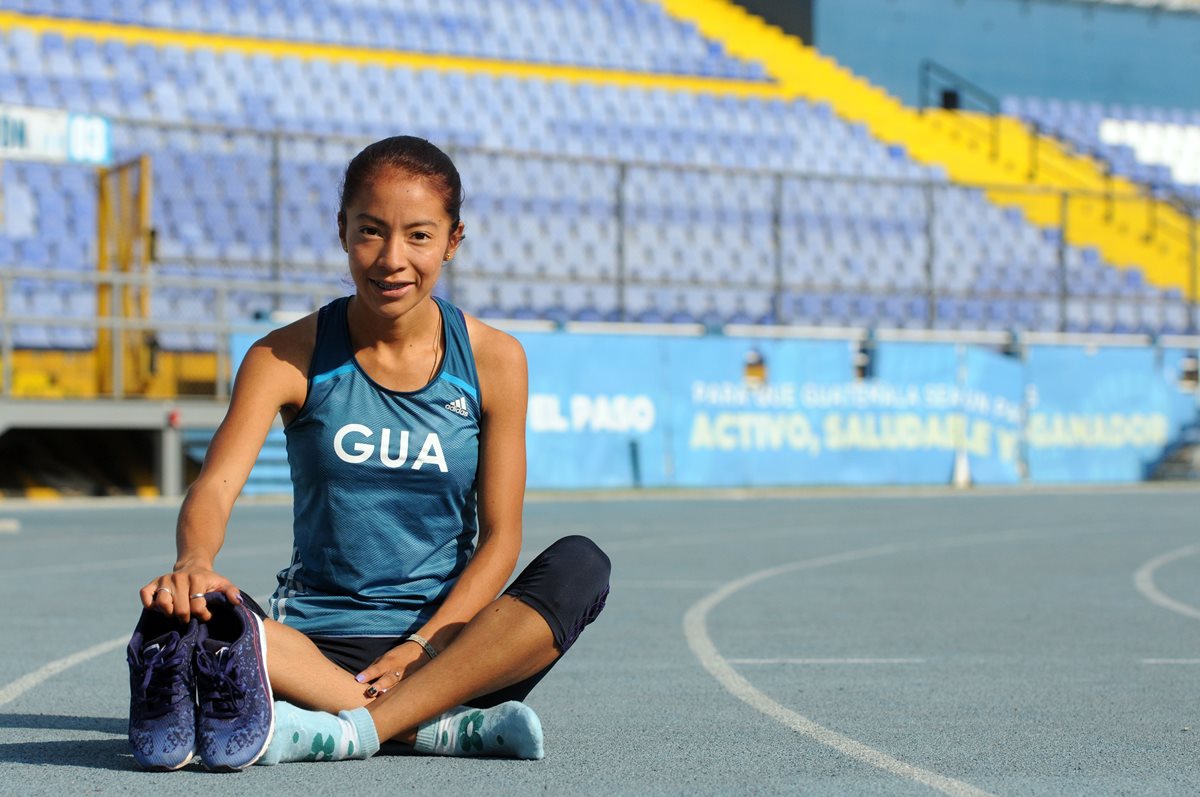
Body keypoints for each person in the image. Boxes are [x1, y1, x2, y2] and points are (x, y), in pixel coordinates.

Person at [130, 136, 611, 769]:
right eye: (370, 232)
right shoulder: (285, 355)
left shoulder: (496, 360)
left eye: (418, 235)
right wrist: (194, 558)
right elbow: (216, 486)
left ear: (452, 241)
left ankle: (349, 729)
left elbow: (501, 540)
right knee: (194, 612)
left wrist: (420, 651)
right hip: (310, 648)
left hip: (452, 647)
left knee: (582, 565)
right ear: (342, 230)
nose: (391, 259)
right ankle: (433, 729)